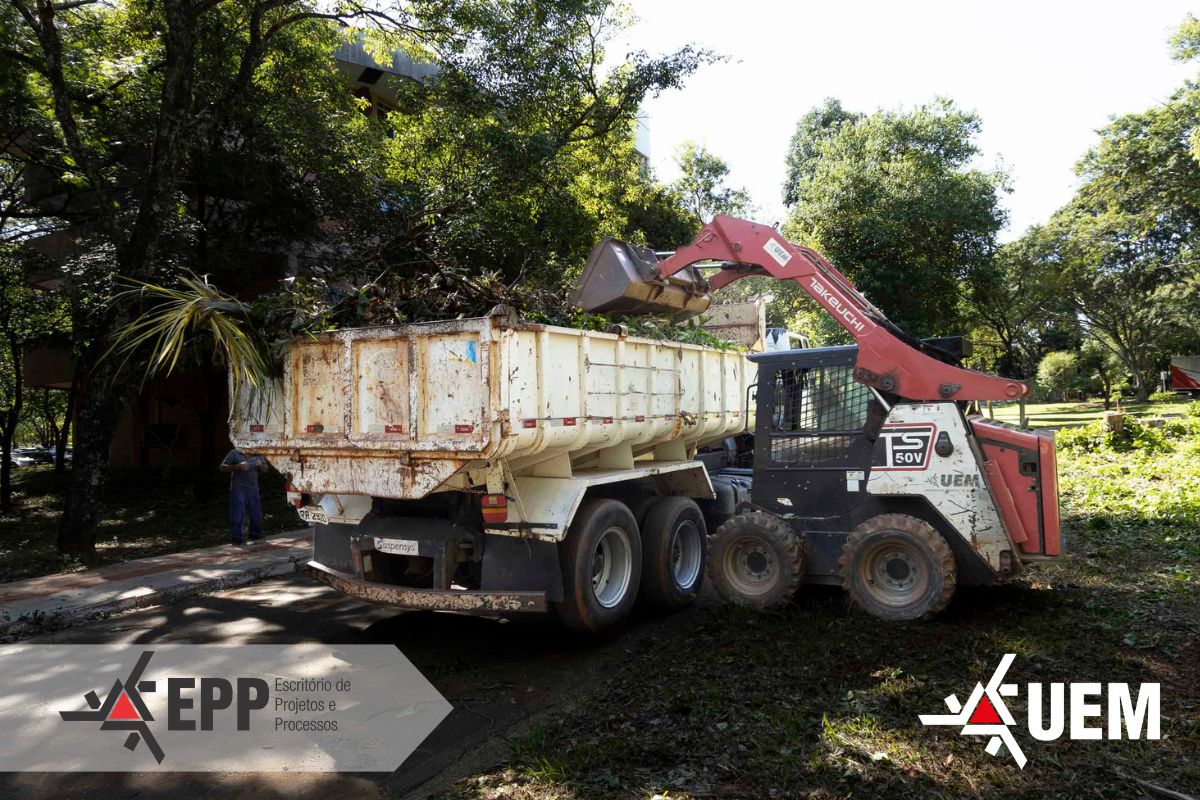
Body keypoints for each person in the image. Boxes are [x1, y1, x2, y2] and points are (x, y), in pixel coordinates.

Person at [220, 448, 268, 546]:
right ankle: (236, 537)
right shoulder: (234, 452)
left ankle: (255, 534)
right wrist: (237, 466)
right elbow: (222, 467)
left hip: (253, 488)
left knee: (256, 512)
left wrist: (261, 465)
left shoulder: (258, 453)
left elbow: (266, 469)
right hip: (238, 488)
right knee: (237, 513)